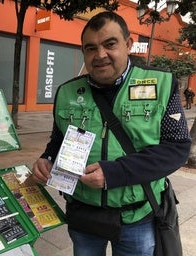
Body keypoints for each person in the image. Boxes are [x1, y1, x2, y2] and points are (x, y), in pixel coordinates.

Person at [31, 11, 191, 256]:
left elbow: (176, 148)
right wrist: (47, 159)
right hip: (83, 214)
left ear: (127, 44)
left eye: (110, 44)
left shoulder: (161, 84)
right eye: (91, 48)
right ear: (83, 52)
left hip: (136, 216)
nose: (100, 55)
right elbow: (59, 139)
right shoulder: (67, 91)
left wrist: (114, 173)